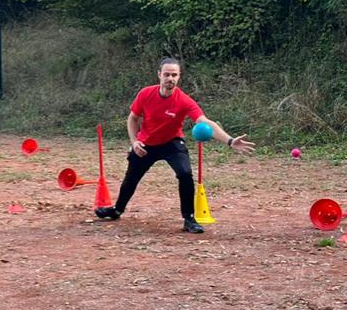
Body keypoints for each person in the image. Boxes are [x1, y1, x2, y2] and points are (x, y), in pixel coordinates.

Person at [95, 57, 255, 233]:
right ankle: (117, 210)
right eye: (167, 74)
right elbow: (133, 118)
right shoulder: (145, 94)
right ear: (159, 75)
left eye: (174, 75)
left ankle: (189, 219)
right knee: (131, 177)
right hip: (146, 143)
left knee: (185, 173)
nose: (170, 78)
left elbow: (205, 122)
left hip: (172, 143)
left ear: (179, 77)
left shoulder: (184, 101)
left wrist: (230, 141)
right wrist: (135, 142)